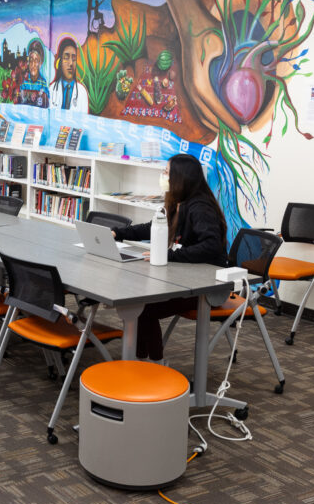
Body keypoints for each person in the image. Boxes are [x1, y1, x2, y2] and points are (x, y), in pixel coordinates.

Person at [111, 154, 228, 361]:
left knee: (144, 308)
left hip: (206, 285)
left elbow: (210, 246)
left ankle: (155, 363)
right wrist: (118, 233)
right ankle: (140, 359)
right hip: (185, 275)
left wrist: (168, 256)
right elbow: (152, 227)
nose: (163, 176)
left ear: (180, 177)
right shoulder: (177, 202)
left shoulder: (200, 207)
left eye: (166, 172)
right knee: (135, 302)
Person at [49, 37, 89, 113]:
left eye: (74, 59)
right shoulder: (51, 90)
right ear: (60, 61)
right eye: (66, 58)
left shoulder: (82, 92)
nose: (71, 63)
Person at [17, 39, 49, 107]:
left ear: (40, 63)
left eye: (36, 60)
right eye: (31, 60)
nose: (33, 64)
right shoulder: (24, 80)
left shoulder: (43, 82)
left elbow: (46, 101)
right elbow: (19, 98)